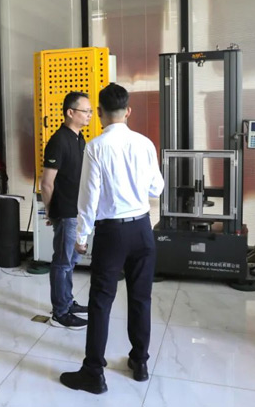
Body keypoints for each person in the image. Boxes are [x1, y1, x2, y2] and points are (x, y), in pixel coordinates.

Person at [60, 83, 165, 394]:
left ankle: (94, 373)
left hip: (112, 233)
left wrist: (82, 235)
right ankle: (140, 362)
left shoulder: (95, 147)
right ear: (128, 111)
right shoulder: (144, 144)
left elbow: (88, 198)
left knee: (101, 301)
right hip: (142, 229)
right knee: (141, 298)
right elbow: (156, 188)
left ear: (100, 113)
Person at [40, 91, 91, 330]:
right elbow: (46, 183)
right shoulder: (58, 140)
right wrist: (51, 211)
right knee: (62, 262)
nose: (90, 115)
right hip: (65, 211)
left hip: (77, 211)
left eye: (90, 111)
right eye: (85, 111)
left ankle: (68, 302)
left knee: (70, 261)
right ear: (70, 112)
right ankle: (59, 313)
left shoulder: (79, 138)